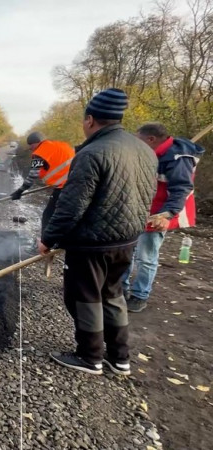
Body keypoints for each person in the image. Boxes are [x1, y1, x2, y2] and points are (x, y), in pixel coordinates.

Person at [38, 88, 157, 376]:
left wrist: (49, 239)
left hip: (92, 243)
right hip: (127, 239)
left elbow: (72, 206)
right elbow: (147, 193)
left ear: (90, 119)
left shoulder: (92, 153)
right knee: (113, 295)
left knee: (85, 297)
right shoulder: (144, 149)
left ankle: (90, 357)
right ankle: (120, 358)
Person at [123, 122, 205, 313]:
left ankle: (139, 295)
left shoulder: (178, 158)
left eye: (140, 140)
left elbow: (181, 189)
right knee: (126, 251)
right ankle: (121, 289)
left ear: (151, 139)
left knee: (146, 256)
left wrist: (167, 214)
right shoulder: (151, 154)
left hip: (159, 213)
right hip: (139, 209)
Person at [10, 132, 75, 237]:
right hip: (76, 185)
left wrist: (20, 191)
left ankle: (45, 245)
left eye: (31, 145)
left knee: (48, 216)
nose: (31, 148)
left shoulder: (40, 153)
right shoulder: (61, 146)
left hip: (63, 188)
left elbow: (32, 175)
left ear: (36, 143)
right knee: (66, 216)